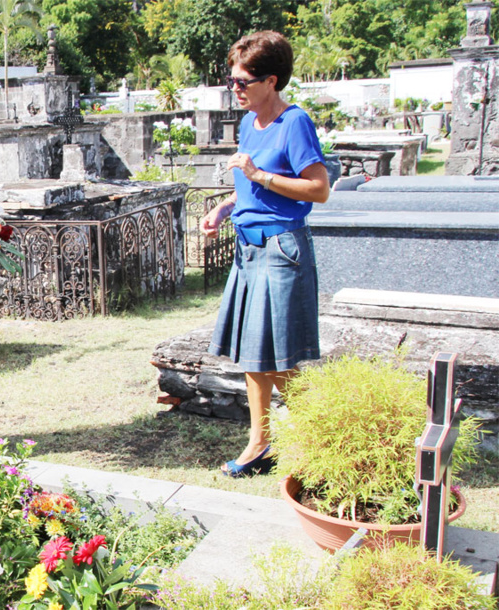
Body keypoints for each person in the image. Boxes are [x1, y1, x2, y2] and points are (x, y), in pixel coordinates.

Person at [202, 31, 330, 477]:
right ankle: (262, 443)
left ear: (271, 81)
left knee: (284, 359)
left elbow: (319, 189)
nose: (235, 89)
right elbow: (249, 188)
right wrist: (224, 207)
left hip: (281, 248)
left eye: (243, 82)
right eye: (231, 81)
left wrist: (258, 175)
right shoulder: (248, 123)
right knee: (254, 354)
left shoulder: (294, 123)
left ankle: (315, 442)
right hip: (249, 248)